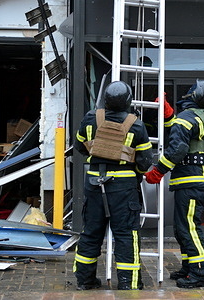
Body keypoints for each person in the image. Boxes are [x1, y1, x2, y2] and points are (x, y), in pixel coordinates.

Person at [73, 80, 153, 290]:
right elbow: (145, 163)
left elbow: (79, 147)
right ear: (128, 100)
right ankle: (129, 283)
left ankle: (84, 281)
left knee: (90, 233)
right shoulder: (136, 124)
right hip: (124, 188)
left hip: (93, 183)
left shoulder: (91, 118)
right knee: (126, 234)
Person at [144, 80, 204, 289]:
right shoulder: (199, 116)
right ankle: (189, 267)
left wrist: (158, 171)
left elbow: (177, 148)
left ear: (194, 96)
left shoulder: (187, 118)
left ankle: (201, 273)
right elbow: (181, 131)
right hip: (195, 180)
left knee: (189, 229)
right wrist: (168, 116)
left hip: (190, 181)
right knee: (182, 228)